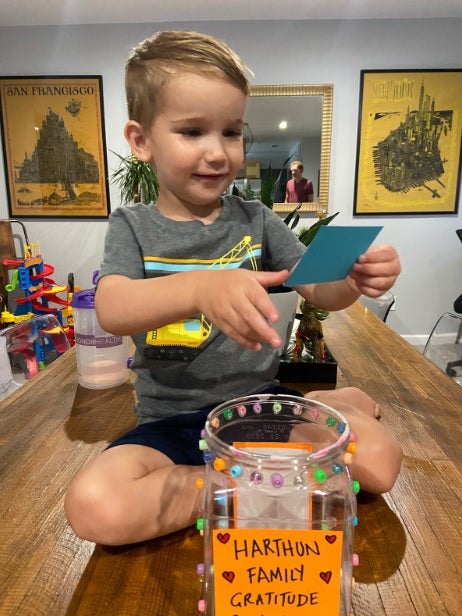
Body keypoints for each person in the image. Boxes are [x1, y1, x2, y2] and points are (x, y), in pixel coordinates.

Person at [64, 30, 402, 546]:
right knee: (95, 507)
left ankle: (339, 409)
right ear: (141, 140)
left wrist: (354, 278)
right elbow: (111, 307)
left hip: (260, 408)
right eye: (193, 131)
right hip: (172, 424)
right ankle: (254, 487)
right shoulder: (131, 225)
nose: (218, 153)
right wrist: (199, 288)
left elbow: (322, 290)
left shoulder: (257, 219)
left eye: (231, 132)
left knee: (379, 464)